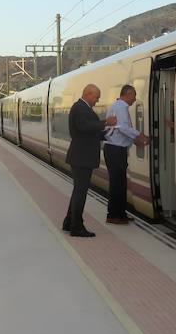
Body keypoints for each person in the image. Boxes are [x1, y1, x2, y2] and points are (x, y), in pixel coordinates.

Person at [63, 84, 117, 237]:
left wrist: (106, 134)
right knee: (80, 192)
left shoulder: (82, 107)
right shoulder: (80, 108)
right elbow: (83, 126)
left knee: (78, 191)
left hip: (81, 156)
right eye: (96, 97)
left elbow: (89, 131)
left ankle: (69, 222)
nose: (97, 100)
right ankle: (77, 227)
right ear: (88, 94)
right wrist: (105, 122)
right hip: (81, 158)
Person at [104, 85, 149, 224]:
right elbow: (123, 128)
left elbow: (120, 130)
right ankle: (114, 215)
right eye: (134, 96)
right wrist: (140, 136)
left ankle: (119, 213)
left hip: (114, 149)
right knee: (118, 184)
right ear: (128, 94)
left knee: (119, 183)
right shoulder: (121, 107)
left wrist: (134, 141)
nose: (135, 100)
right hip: (116, 150)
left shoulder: (118, 106)